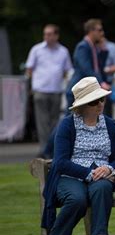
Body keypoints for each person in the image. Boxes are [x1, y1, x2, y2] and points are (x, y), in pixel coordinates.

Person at [41, 77, 115, 235]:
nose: (100, 104)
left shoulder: (111, 125)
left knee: (102, 189)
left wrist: (108, 168)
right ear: (83, 105)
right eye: (94, 102)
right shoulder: (67, 125)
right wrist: (89, 173)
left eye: (102, 99)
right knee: (77, 199)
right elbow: (61, 161)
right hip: (70, 175)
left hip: (101, 176)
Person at [25, 24, 72, 157]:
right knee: (42, 122)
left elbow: (67, 70)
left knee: (54, 122)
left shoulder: (63, 51)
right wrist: (34, 84)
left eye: (50, 34)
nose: (47, 36)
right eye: (45, 34)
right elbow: (29, 68)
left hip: (56, 90)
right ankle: (45, 149)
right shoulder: (37, 49)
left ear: (57, 36)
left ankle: (51, 149)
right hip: (40, 90)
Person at [66, 19, 110, 112]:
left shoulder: (93, 47)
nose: (102, 33)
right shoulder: (83, 47)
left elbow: (99, 68)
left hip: (86, 90)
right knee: (70, 121)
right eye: (99, 30)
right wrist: (101, 82)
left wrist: (103, 50)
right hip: (78, 90)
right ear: (91, 31)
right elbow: (86, 68)